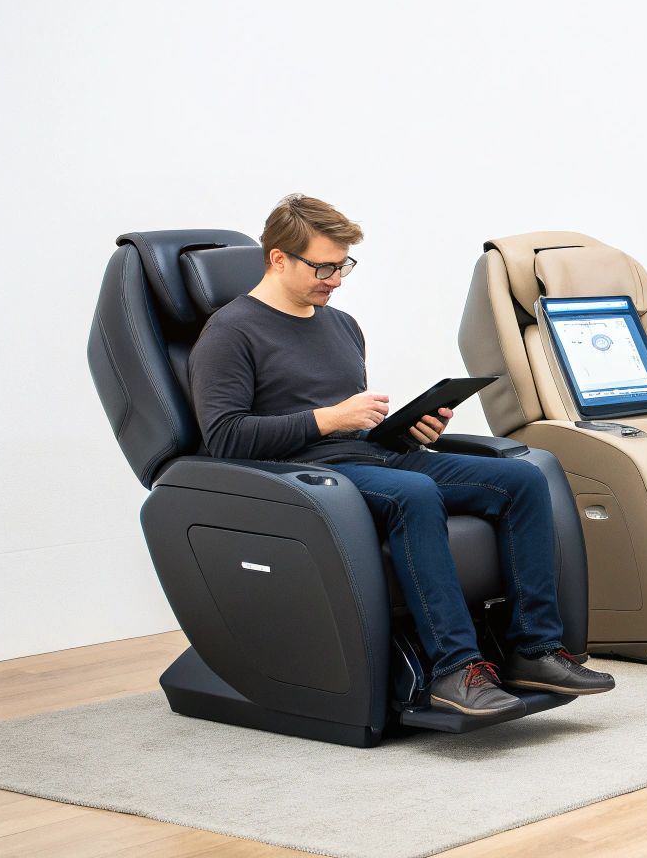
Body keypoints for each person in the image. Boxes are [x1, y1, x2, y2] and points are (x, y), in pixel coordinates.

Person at [189, 194, 614, 716]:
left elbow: (357, 431)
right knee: (415, 493)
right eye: (323, 266)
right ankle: (454, 670)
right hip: (309, 477)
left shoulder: (341, 325)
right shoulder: (230, 331)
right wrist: (330, 418)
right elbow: (226, 437)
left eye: (343, 265)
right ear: (278, 258)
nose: (336, 279)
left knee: (523, 479)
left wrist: (412, 431)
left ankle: (534, 649)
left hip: (372, 457)